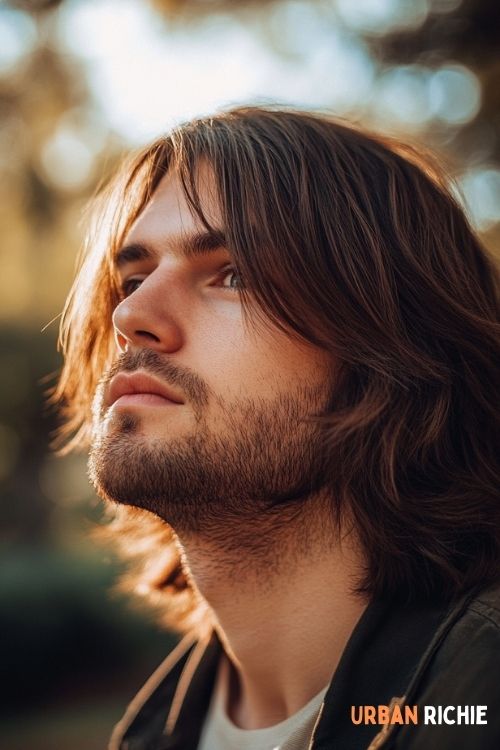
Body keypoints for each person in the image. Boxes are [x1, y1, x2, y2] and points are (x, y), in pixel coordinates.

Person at [55, 106, 500, 749]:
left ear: (392, 349)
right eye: (134, 276)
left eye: (233, 275)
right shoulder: (152, 734)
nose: (132, 313)